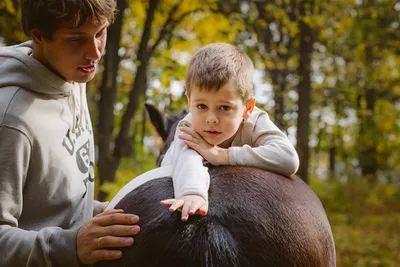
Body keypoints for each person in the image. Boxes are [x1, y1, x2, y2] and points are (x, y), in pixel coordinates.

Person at [0, 1, 140, 266]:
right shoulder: (10, 120)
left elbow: (59, 205)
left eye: (100, 33)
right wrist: (70, 246)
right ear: (39, 35)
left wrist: (116, 210)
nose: (95, 52)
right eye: (77, 39)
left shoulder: (70, 76)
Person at [160, 43, 300, 221]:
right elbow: (188, 161)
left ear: (247, 107)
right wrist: (192, 193)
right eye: (201, 106)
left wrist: (223, 155)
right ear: (189, 102)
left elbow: (288, 157)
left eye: (224, 107)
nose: (211, 118)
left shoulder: (256, 121)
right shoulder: (188, 127)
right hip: (173, 170)